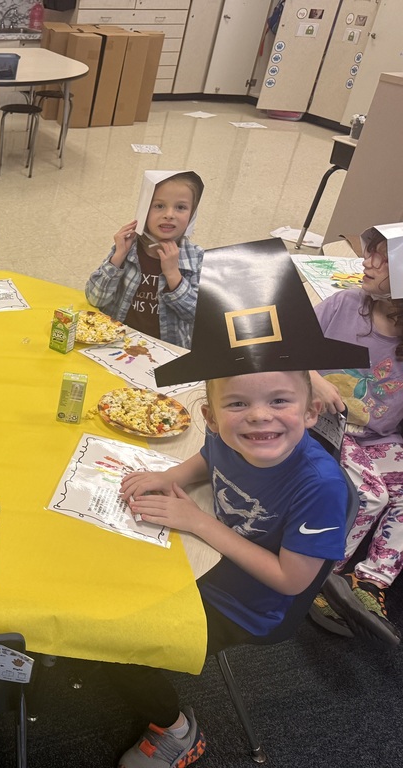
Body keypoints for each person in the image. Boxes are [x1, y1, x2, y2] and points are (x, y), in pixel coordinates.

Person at [103, 239, 368, 768]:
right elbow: (208, 460)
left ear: (311, 411)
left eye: (280, 401)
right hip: (209, 559)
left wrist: (197, 520)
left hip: (248, 604)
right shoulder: (228, 436)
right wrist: (168, 475)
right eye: (238, 404)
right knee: (107, 570)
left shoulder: (320, 486)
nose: (258, 418)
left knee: (120, 645)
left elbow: (292, 581)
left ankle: (176, 731)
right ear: (210, 414)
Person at [308, 224, 403, 644]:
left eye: (383, 259)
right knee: (372, 494)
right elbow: (287, 348)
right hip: (331, 425)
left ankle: (371, 582)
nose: (368, 261)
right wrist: (313, 380)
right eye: (371, 253)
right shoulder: (346, 306)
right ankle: (324, 574)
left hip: (381, 438)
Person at [85, 170, 205, 348]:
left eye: (180, 207)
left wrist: (173, 275)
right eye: (159, 206)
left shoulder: (196, 258)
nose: (169, 214)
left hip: (165, 351)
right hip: (117, 344)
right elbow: (95, 298)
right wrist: (118, 257)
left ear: (192, 214)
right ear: (143, 211)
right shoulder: (129, 249)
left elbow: (198, 318)